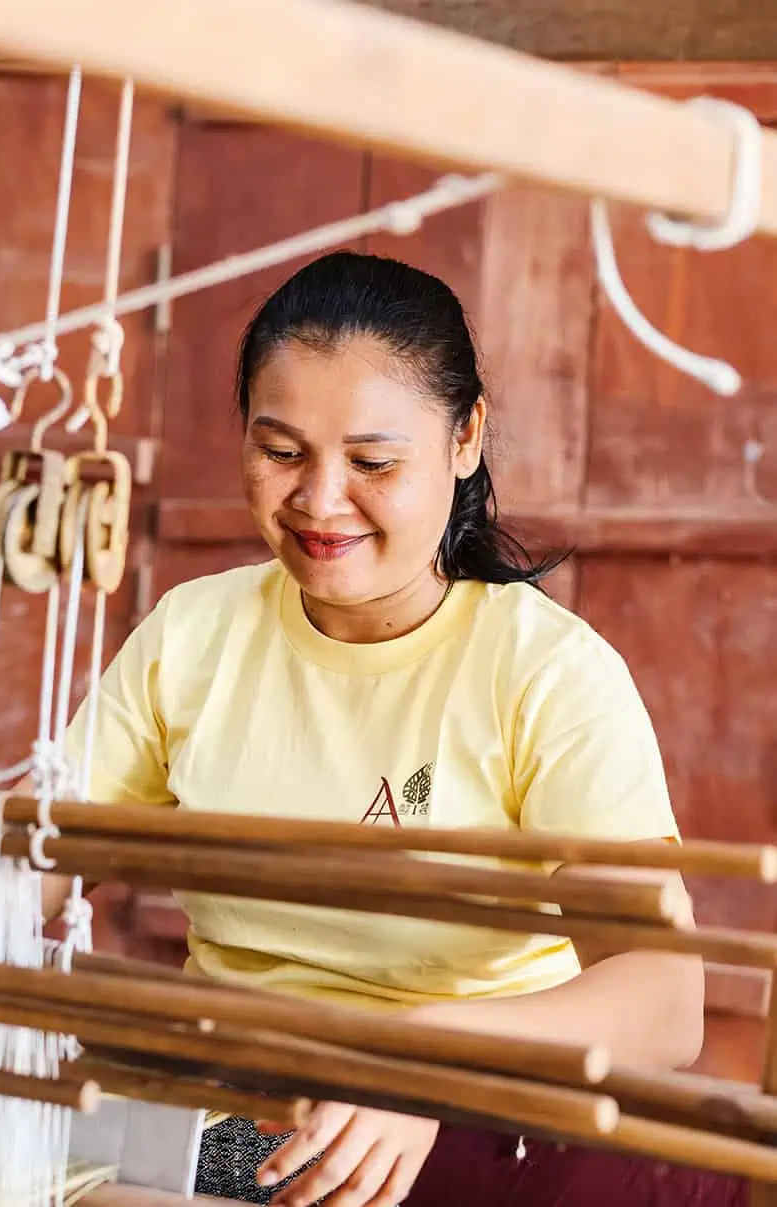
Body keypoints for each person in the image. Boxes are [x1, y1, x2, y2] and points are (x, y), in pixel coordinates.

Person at [47, 251, 740, 1206]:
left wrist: (416, 1057)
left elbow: (665, 1000)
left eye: (373, 462)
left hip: (467, 1109)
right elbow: (24, 864)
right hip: (248, 1119)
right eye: (280, 451)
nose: (320, 501)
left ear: (466, 440)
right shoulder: (194, 636)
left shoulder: (544, 673)